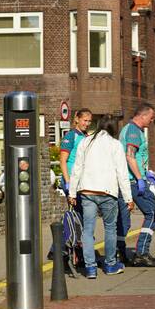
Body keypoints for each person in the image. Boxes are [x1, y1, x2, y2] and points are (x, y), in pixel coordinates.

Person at [68, 115, 134, 278]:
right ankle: (110, 264)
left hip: (87, 191)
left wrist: (72, 192)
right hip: (107, 192)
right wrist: (128, 198)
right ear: (113, 128)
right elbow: (122, 173)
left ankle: (90, 268)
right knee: (110, 228)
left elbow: (77, 168)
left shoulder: (86, 142)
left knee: (88, 229)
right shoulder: (115, 145)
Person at [117, 103, 155, 267]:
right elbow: (130, 156)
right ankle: (142, 252)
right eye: (151, 117)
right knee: (152, 213)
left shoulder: (127, 129)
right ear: (143, 116)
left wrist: (146, 172)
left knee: (123, 219)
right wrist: (140, 178)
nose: (151, 120)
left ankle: (119, 253)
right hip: (133, 182)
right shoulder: (134, 131)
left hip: (125, 181)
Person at [53, 108, 92, 265]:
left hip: (81, 182)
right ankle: (62, 251)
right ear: (76, 119)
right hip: (72, 182)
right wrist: (68, 182)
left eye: (89, 121)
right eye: (84, 120)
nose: (87, 124)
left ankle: (72, 251)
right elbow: (63, 160)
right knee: (75, 217)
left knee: (80, 216)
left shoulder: (84, 136)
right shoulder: (71, 136)